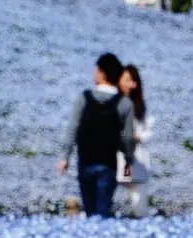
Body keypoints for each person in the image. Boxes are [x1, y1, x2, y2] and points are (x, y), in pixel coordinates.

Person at [59, 53, 136, 217]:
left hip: (85, 160)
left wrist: (65, 157)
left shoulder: (84, 98)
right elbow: (128, 137)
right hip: (108, 163)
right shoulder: (124, 103)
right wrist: (129, 161)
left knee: (89, 210)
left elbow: (73, 128)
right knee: (103, 211)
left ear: (101, 72)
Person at [119, 64, 153, 216]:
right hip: (117, 156)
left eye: (133, 81)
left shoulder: (141, 105)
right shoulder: (114, 103)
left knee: (139, 203)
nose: (130, 85)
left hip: (138, 157)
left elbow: (148, 130)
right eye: (126, 80)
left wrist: (138, 136)